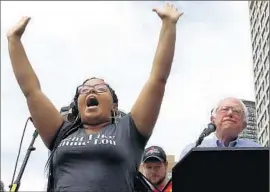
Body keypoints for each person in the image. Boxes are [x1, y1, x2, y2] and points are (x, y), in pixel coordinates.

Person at [7, 3, 183, 192]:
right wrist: (13, 40)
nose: (91, 91)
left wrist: (168, 24)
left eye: (100, 88)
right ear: (77, 105)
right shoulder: (61, 132)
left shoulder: (129, 131)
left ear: (114, 106)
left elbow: (157, 79)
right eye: (84, 90)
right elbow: (31, 90)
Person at [180, 97, 261, 159]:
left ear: (244, 125)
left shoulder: (258, 151)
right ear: (212, 120)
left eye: (236, 111)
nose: (230, 113)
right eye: (224, 109)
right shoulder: (192, 150)